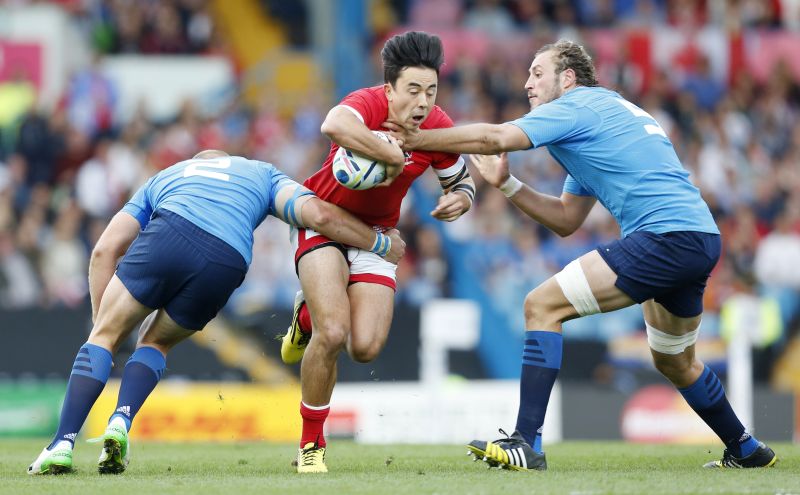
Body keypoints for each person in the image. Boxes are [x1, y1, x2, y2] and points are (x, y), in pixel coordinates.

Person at [384, 39, 777, 470]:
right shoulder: (601, 117)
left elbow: (496, 136)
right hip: (698, 237)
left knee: (540, 305)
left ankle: (525, 442)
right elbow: (567, 219)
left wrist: (415, 137)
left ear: (567, 78)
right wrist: (508, 185)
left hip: (664, 237)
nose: (527, 83)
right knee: (675, 361)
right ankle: (745, 448)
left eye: (537, 72)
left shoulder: (576, 107)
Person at [27, 150, 405, 475]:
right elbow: (319, 216)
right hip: (226, 260)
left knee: (104, 338)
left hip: (169, 233)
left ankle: (62, 444)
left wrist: (102, 329)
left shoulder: (167, 175)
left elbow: (104, 250)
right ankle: (121, 421)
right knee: (156, 343)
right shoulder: (261, 172)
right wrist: (379, 242)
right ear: (228, 161)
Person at [278, 31, 475, 473]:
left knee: (364, 347)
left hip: (378, 234)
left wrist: (462, 198)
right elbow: (335, 125)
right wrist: (387, 152)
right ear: (389, 88)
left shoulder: (438, 126)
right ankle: (312, 446)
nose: (423, 101)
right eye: (413, 90)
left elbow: (461, 178)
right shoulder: (367, 103)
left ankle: (304, 315)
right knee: (332, 332)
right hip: (323, 220)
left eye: (431, 91)